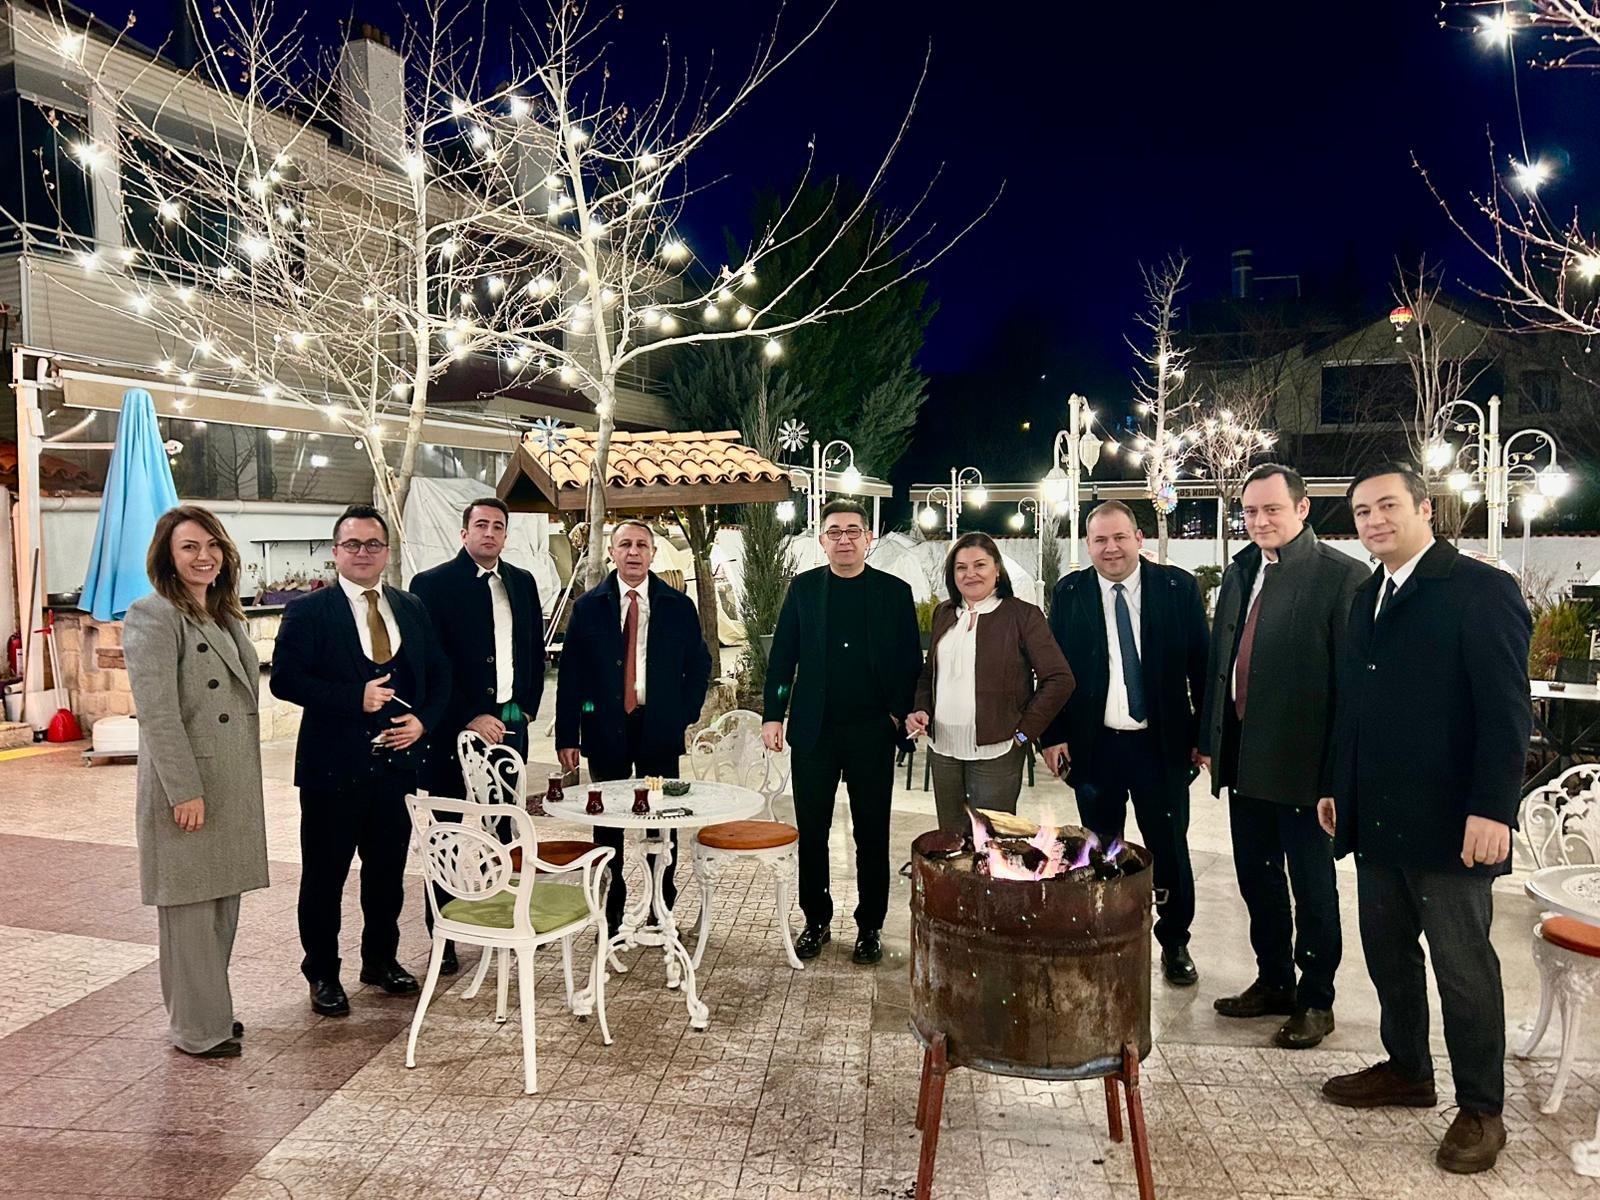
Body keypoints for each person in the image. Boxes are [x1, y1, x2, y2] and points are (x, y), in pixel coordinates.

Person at [1318, 463, 1531, 1175]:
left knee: (1463, 969)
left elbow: (1506, 712)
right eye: (1361, 511)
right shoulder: (1366, 595)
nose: (1374, 521)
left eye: (1388, 506)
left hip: (1453, 823)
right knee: (1388, 955)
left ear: (1424, 509)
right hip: (1378, 817)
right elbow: (1353, 702)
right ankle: (1408, 1069)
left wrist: (1493, 809)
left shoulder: (1479, 589)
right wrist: (1337, 785)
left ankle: (1481, 1109)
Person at [1196, 464, 1367, 1050]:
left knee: (1313, 889)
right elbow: (1222, 662)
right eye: (1250, 511)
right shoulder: (1241, 570)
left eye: (1272, 509)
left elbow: (1351, 688)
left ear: (1302, 509)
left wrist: (1336, 775)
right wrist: (1210, 739)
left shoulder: (1341, 576)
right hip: (1245, 760)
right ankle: (1273, 981)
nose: (1260, 520)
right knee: (1257, 880)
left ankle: (1316, 998)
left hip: (1305, 769)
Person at [270, 504, 451, 1017]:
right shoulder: (310, 611)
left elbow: (440, 674)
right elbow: (285, 679)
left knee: (387, 873)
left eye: (373, 544)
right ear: (335, 552)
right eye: (353, 544)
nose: (363, 552)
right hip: (331, 771)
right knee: (324, 877)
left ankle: (380, 960)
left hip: (397, 769)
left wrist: (423, 723)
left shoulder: (410, 606)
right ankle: (323, 973)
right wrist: (354, 697)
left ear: (386, 552)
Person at [1040, 500, 1208, 987]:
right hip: (1096, 750)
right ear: (1087, 545)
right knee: (1101, 850)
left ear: (1139, 538)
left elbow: (1202, 667)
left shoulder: (1177, 588)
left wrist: (1204, 738)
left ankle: (1175, 941)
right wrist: (1053, 735)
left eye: (1119, 537)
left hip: (1161, 748)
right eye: (1100, 540)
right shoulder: (1070, 592)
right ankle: (1106, 935)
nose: (1110, 548)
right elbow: (1052, 671)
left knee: (1168, 848)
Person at [123, 506, 269, 1058]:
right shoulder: (153, 614)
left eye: (212, 545)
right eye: (189, 547)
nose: (203, 556)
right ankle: (196, 1029)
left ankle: (208, 1010)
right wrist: (184, 790)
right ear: (167, 556)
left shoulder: (223, 613)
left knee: (221, 904)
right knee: (188, 909)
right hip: (188, 785)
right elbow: (157, 713)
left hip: (229, 781)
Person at [762, 500, 922, 966]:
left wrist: (896, 716)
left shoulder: (894, 592)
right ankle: (816, 920)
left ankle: (870, 926)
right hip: (815, 731)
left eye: (853, 531)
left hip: (872, 730)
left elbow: (909, 661)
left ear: (868, 538)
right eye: (835, 532)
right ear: (822, 540)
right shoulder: (804, 589)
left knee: (872, 834)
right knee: (812, 832)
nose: (844, 539)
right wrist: (773, 714)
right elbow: (783, 656)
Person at [410, 496, 545, 975]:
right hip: (452, 728)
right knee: (449, 831)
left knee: (506, 825)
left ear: (506, 534)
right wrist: (469, 715)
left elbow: (533, 649)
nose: (490, 533)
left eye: (498, 526)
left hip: (509, 726)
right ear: (464, 533)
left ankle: (506, 916)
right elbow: (431, 661)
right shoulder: (431, 585)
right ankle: (444, 932)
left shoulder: (522, 582)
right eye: (481, 525)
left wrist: (524, 707)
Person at [555, 520, 712, 936]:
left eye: (642, 545)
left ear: (653, 553)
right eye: (625, 544)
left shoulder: (678, 606)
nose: (633, 552)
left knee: (661, 819)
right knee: (608, 822)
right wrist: (568, 734)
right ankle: (611, 910)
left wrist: (684, 712)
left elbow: (699, 664)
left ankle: (662, 907)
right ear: (612, 552)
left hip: (659, 730)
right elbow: (571, 675)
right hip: (605, 730)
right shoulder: (588, 607)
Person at [905, 532, 1074, 830]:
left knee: (991, 841)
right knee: (951, 840)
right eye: (961, 567)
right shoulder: (944, 613)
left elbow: (1059, 679)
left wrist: (1024, 734)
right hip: (942, 750)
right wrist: (922, 709)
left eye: (980, 565)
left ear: (997, 569)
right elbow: (930, 673)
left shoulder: (1023, 616)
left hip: (998, 751)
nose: (970, 573)